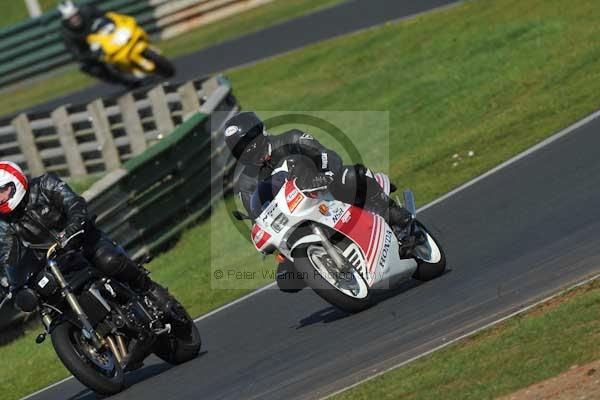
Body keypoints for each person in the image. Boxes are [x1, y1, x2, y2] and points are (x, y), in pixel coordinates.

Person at [0, 161, 168, 305]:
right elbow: (9, 253)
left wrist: (73, 227)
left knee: (109, 261)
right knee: (52, 302)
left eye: (3, 190)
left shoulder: (45, 184)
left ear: (16, 180)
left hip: (84, 240)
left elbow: (73, 203)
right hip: (56, 265)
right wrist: (10, 282)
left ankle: (148, 288)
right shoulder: (5, 222)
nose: (1, 197)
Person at [224, 112, 414, 233]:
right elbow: (258, 220)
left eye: (247, 142)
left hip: (326, 193)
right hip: (296, 220)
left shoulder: (291, 138)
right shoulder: (246, 182)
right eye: (240, 147)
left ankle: (391, 211)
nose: (247, 149)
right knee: (287, 277)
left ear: (259, 132)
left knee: (351, 175)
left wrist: (325, 174)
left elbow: (325, 154)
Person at [58, 0, 134, 86]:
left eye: (75, 15)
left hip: (106, 36)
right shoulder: (66, 34)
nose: (74, 19)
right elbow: (76, 54)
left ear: (78, 12)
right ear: (66, 20)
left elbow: (107, 15)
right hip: (91, 51)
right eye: (70, 18)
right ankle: (119, 80)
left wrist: (115, 23)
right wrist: (90, 56)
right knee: (90, 68)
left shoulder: (88, 11)